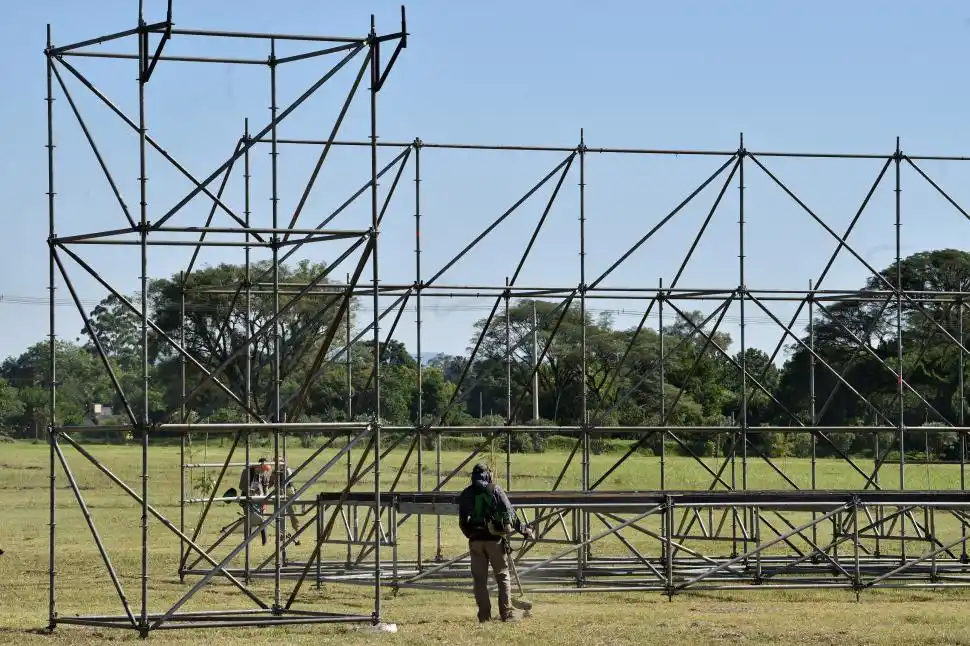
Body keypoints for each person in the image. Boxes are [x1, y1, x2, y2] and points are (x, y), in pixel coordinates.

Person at [458, 462, 535, 623]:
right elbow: (511, 515)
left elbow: (462, 522)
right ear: (488, 474)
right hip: (494, 541)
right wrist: (524, 530)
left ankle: (484, 616)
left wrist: (471, 536)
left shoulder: (466, 493)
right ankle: (506, 613)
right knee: (502, 576)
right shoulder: (495, 490)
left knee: (479, 580)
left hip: (476, 542)